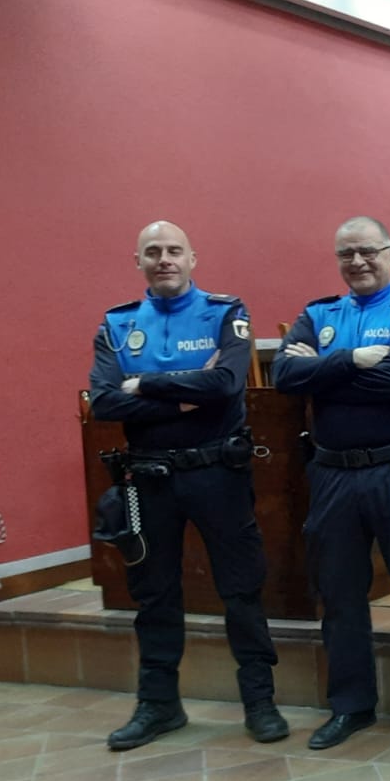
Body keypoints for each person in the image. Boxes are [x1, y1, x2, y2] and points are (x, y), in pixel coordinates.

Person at [89, 221, 286, 750]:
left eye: (174, 250)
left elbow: (225, 386)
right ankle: (158, 706)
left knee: (241, 590)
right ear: (138, 262)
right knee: (154, 595)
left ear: (192, 257)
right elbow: (104, 401)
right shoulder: (117, 323)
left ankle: (259, 700)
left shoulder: (225, 312)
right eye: (152, 252)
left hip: (216, 473)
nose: (164, 259)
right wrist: (184, 393)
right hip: (149, 478)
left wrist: (146, 384)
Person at [274, 217, 390, 750]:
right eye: (346, 254)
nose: (357, 262)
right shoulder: (318, 314)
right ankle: (350, 706)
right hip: (332, 474)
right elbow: (285, 378)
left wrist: (325, 375)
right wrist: (353, 360)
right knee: (340, 596)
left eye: (368, 252)